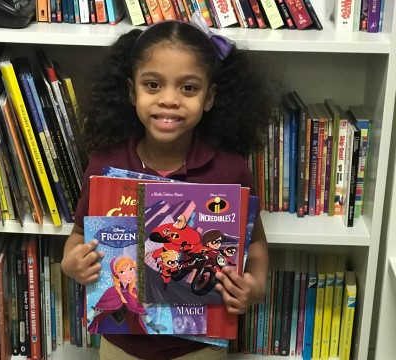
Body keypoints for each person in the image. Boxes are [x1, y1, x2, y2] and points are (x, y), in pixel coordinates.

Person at [61, 14, 270, 360]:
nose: (169, 100)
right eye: (153, 85)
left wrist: (255, 287)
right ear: (131, 91)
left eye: (188, 87)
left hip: (200, 346)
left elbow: (257, 244)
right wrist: (73, 264)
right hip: (122, 345)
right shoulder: (105, 166)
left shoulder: (230, 170)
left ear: (209, 97)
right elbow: (78, 235)